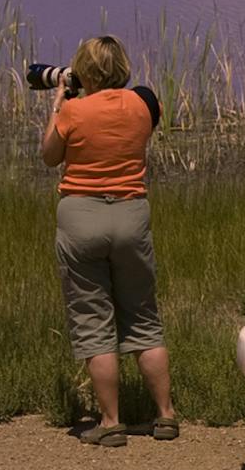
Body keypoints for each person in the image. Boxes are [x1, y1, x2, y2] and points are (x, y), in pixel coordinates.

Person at [39, 35, 178, 445]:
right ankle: (166, 416)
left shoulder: (74, 110)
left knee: (94, 321)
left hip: (81, 216)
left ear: (83, 71)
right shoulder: (144, 103)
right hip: (131, 214)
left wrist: (58, 106)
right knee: (144, 319)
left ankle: (110, 421)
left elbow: (49, 156)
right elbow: (145, 123)